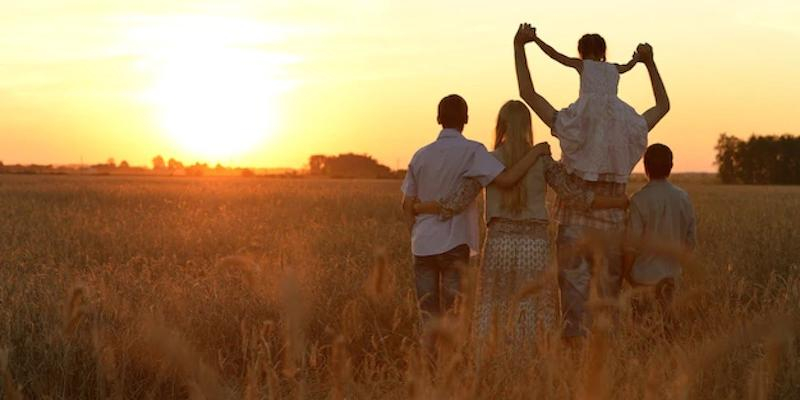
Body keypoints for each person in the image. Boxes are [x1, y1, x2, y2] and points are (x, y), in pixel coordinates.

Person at [413, 100, 628, 346]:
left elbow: (455, 201)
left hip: (498, 244)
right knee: (535, 307)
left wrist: (418, 206)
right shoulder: (544, 160)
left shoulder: (488, 160)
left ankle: (496, 363)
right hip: (535, 245)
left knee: (496, 307)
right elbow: (574, 196)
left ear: (501, 125)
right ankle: (532, 366)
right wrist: (615, 202)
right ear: (527, 125)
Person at [513, 23, 671, 340]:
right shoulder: (630, 123)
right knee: (607, 311)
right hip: (612, 225)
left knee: (574, 313)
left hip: (573, 224)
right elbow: (663, 106)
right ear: (605, 59)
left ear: (581, 60)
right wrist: (649, 62)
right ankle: (604, 374)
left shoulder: (571, 119)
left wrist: (521, 45)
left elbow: (527, 94)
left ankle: (574, 374)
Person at [400, 94, 551, 324]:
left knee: (428, 315)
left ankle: (432, 360)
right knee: (454, 314)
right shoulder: (474, 152)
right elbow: (508, 179)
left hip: (423, 244)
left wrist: (417, 228)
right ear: (466, 119)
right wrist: (536, 151)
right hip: (455, 242)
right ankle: (456, 359)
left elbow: (407, 205)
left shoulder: (420, 155)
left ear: (438, 118)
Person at [531, 29, 645, 183]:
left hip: (588, 112)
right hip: (613, 114)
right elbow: (628, 66)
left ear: (582, 50)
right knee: (608, 144)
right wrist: (638, 58)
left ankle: (586, 171)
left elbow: (555, 55)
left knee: (582, 140)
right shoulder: (614, 68)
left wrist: (536, 40)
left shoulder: (583, 65)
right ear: (602, 51)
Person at [623, 144, 696, 327]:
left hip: (642, 280)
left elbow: (632, 244)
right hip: (670, 279)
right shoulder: (683, 198)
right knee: (668, 332)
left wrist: (625, 274)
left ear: (645, 167)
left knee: (642, 333)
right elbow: (690, 242)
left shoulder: (639, 200)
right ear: (671, 167)